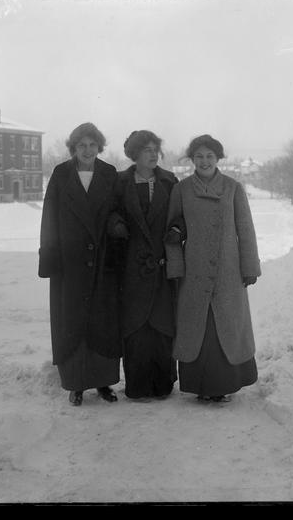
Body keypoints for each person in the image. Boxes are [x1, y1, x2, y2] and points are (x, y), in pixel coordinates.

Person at [165, 134, 261, 403]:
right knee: (198, 329)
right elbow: (171, 230)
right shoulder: (181, 189)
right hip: (194, 273)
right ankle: (200, 386)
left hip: (228, 272)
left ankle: (224, 386)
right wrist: (176, 267)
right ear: (192, 160)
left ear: (218, 159)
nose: (204, 161)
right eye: (199, 156)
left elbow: (246, 230)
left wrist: (249, 265)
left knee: (227, 326)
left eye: (209, 156)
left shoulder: (233, 188)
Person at [38, 122, 122, 406]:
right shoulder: (61, 174)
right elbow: (49, 216)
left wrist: (117, 227)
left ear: (100, 147)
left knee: (103, 322)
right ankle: (75, 384)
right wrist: (49, 257)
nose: (87, 150)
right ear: (73, 148)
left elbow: (117, 211)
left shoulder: (109, 174)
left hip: (103, 262)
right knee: (70, 322)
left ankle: (104, 384)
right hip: (69, 264)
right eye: (81, 145)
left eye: (92, 145)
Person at [108, 130, 178, 400]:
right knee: (136, 328)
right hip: (132, 268)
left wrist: (176, 230)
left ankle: (163, 384)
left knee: (162, 326)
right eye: (146, 149)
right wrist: (116, 224)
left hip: (161, 268)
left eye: (155, 149)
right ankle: (137, 386)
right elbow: (110, 211)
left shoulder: (169, 181)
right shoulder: (120, 182)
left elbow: (179, 216)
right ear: (134, 154)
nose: (152, 154)